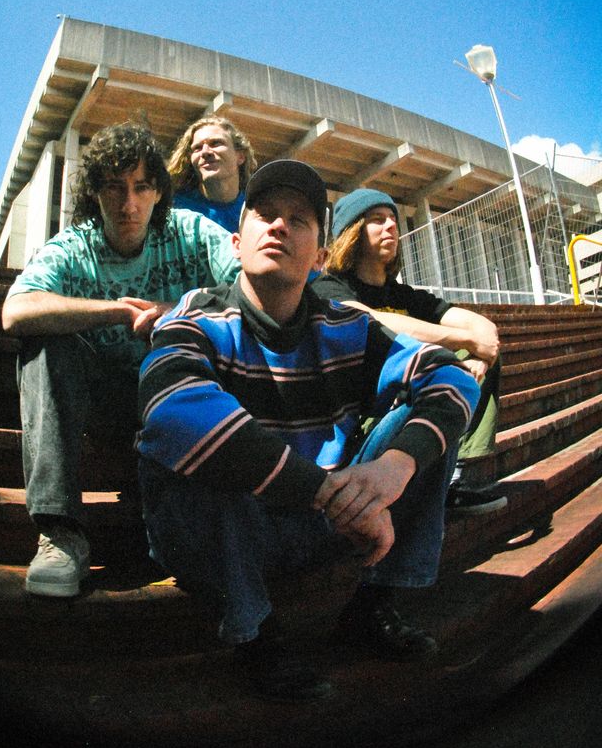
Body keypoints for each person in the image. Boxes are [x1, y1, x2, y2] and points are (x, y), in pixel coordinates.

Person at [136, 160, 479, 701]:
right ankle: (256, 636)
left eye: (299, 219)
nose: (279, 226)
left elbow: (452, 376)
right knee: (205, 445)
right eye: (265, 215)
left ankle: (371, 607)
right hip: (219, 533)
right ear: (236, 241)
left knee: (425, 421)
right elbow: (171, 409)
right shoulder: (196, 317)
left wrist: (397, 465)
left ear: (320, 257)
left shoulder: (347, 325)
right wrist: (325, 492)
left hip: (319, 523)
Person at [2, 121, 241, 598]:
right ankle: (60, 533)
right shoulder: (76, 246)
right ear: (95, 194)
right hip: (104, 401)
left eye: (141, 187)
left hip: (174, 395)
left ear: (158, 192)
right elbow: (16, 310)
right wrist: (112, 309)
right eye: (114, 188)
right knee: (46, 344)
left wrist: (176, 315)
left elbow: (248, 287)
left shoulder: (189, 231)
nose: (129, 204)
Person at [312, 188, 507, 515]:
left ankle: (457, 478)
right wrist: (466, 343)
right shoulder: (328, 286)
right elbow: (371, 320)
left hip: (416, 405)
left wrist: (480, 355)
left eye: (393, 220)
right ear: (352, 233)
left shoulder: (405, 295)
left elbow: (484, 329)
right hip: (367, 423)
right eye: (377, 220)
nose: (390, 226)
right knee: (444, 363)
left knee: (469, 358)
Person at [167, 114, 257, 233]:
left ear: (240, 156)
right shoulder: (173, 207)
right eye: (197, 148)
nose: (205, 152)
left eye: (216, 143)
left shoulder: (256, 212)